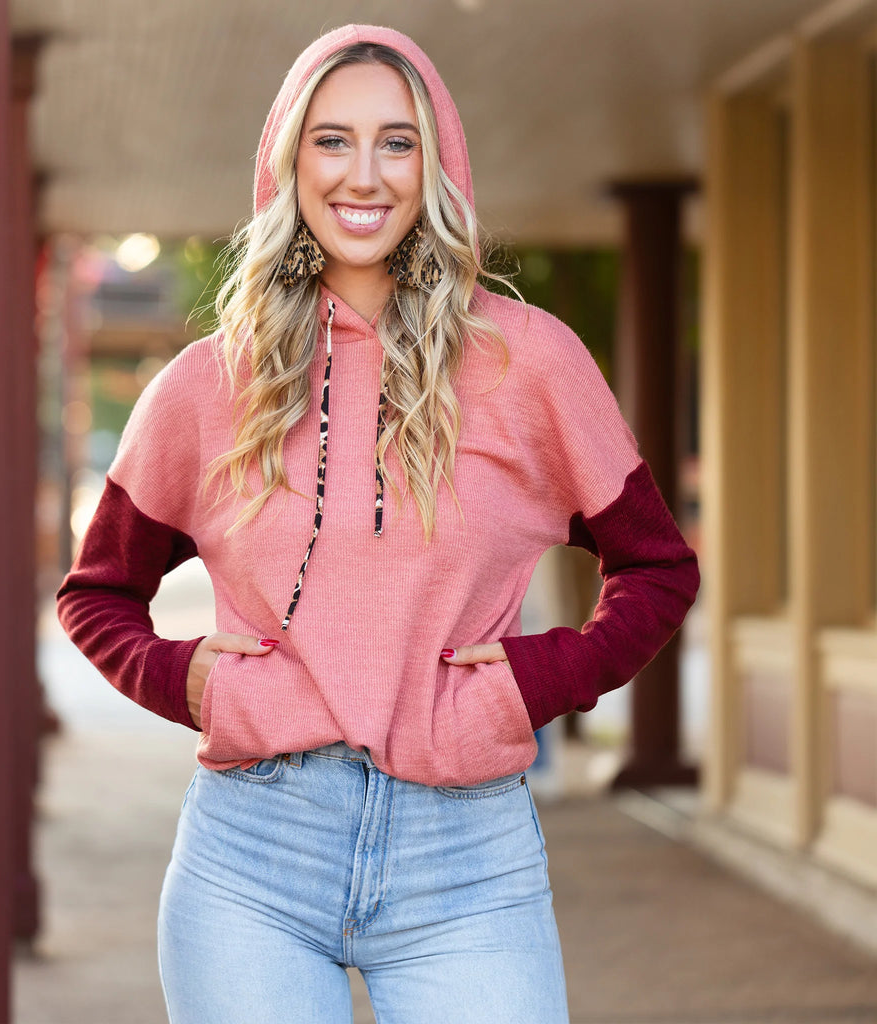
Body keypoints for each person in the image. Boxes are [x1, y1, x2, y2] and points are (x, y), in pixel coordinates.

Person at [57, 24, 699, 1024]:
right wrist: (190, 679)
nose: (365, 173)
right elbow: (96, 593)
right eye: (332, 140)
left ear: (435, 164)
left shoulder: (527, 363)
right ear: (289, 162)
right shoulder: (209, 383)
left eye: (396, 142)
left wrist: (539, 679)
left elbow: (657, 567)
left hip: (466, 862)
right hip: (251, 861)